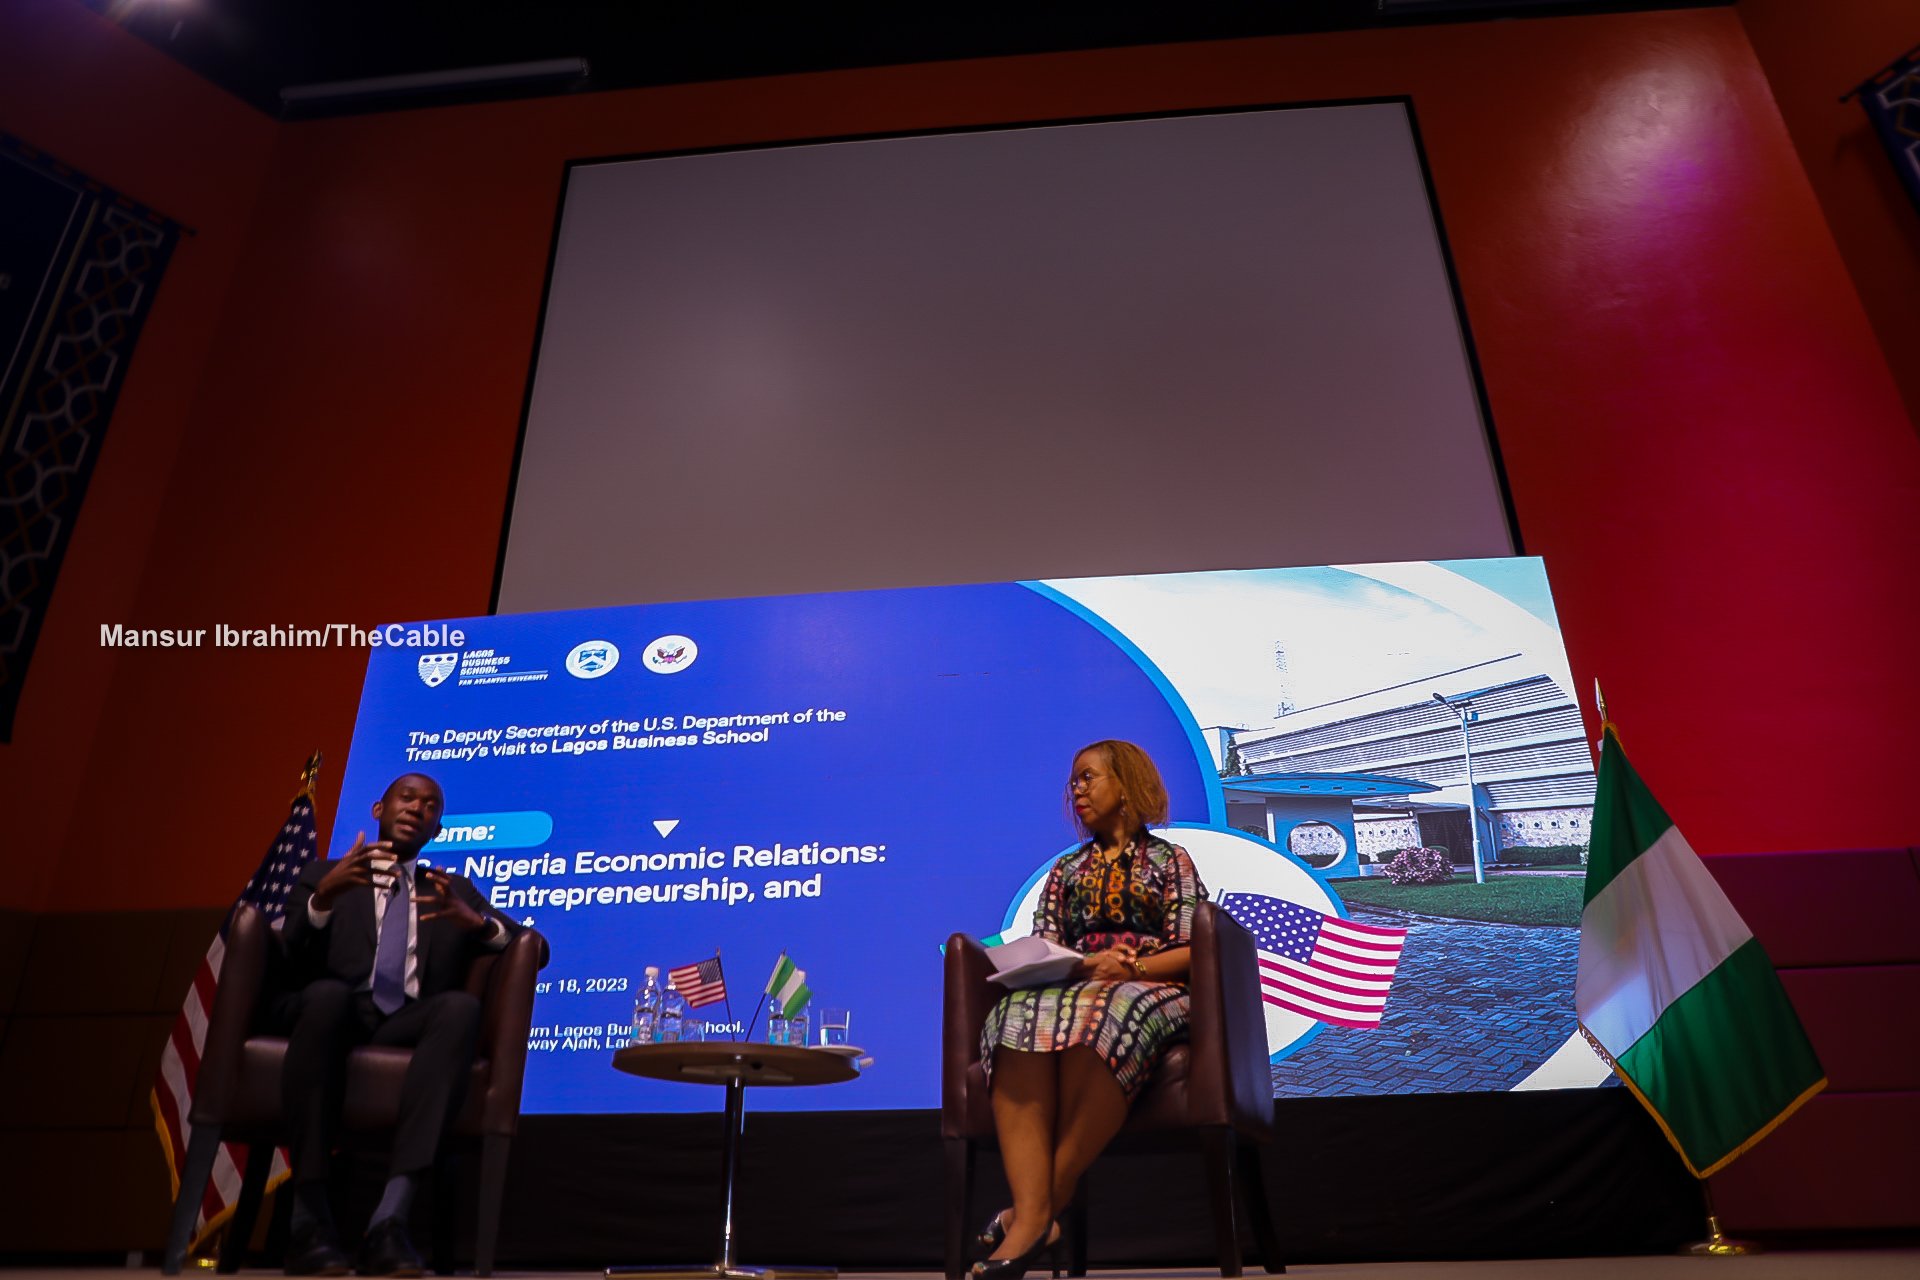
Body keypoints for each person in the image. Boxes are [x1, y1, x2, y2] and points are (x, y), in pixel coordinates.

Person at [271, 773, 527, 1277]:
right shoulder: (323, 874)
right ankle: (310, 1222)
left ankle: (390, 1219)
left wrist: (475, 923)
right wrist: (322, 898)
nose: (417, 808)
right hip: (333, 1016)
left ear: (436, 827)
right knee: (325, 998)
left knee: (459, 1009)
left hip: (404, 1022)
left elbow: (530, 946)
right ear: (378, 809)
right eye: (407, 798)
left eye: (430, 806)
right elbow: (286, 951)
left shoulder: (450, 889)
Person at [972, 740, 1206, 1279]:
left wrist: (1134, 969)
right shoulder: (1066, 869)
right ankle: (1039, 1219)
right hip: (1077, 983)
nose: (1075, 789)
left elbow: (1194, 946)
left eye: (1088, 777)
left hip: (1153, 984)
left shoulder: (1171, 860)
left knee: (1105, 1015)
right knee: (1012, 1020)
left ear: (1126, 785)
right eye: (1073, 781)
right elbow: (1045, 943)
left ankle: (1026, 1218)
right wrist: (1082, 964)